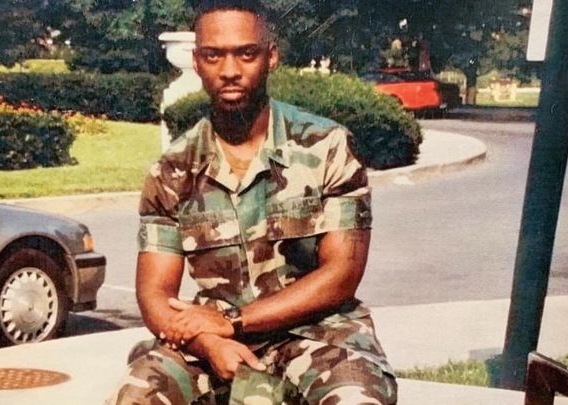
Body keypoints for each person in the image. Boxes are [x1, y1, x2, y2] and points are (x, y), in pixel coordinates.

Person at [107, 1, 397, 403]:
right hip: (211, 341)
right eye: (213, 55)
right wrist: (210, 342)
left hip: (319, 333)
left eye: (246, 53)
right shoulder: (172, 170)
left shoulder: (327, 146)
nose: (229, 70)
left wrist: (233, 321)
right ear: (197, 61)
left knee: (356, 398)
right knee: (136, 395)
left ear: (271, 57)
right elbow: (154, 294)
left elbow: (342, 273)